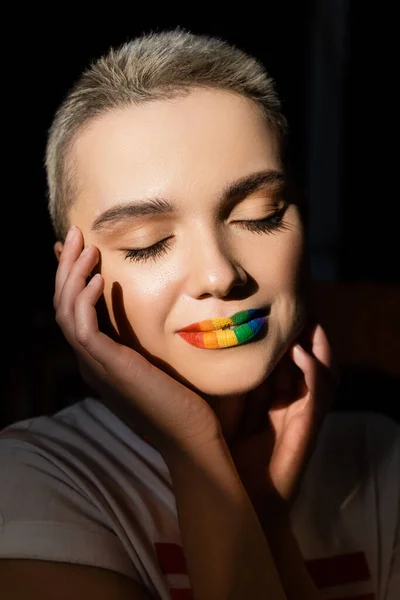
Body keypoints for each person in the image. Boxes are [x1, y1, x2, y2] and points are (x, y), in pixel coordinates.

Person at [0, 28, 398, 600]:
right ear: (75, 279)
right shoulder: (39, 481)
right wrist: (196, 454)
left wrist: (263, 517)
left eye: (259, 216)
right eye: (147, 242)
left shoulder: (382, 463)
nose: (220, 275)